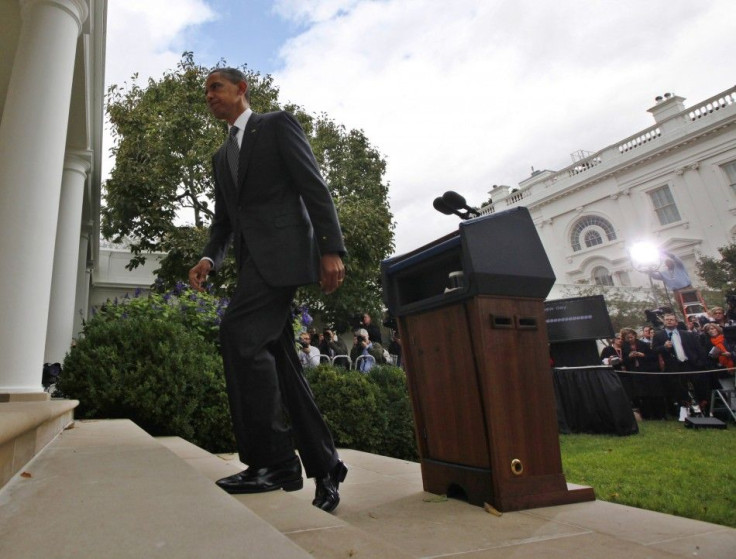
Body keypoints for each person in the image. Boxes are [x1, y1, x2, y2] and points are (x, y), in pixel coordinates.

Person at [188, 67, 347, 513]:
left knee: (238, 336)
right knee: (282, 367)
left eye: (215, 87)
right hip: (251, 265)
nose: (209, 97)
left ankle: (273, 461)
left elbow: (312, 185)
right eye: (205, 92)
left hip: (285, 257)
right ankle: (326, 465)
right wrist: (208, 258)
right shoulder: (222, 158)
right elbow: (224, 222)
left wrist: (331, 249)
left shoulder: (276, 125)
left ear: (241, 89)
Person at [652, 313, 708, 415]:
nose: (669, 321)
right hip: (674, 366)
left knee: (699, 386)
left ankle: (703, 409)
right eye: (667, 319)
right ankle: (685, 411)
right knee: (680, 389)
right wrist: (664, 347)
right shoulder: (659, 335)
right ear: (664, 322)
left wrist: (700, 362)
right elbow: (654, 350)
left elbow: (698, 349)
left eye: (671, 319)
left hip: (691, 364)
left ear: (676, 322)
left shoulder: (687, 334)